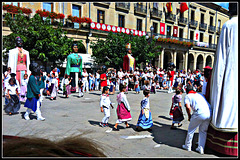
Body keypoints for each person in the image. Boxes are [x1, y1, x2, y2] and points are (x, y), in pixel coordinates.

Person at [205, 4, 238, 156]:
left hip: (231, 74)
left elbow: (221, 58)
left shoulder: (228, 25)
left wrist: (217, 83)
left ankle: (219, 144)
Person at [182, 85, 212, 154]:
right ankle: (201, 148)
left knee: (191, 130)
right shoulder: (199, 94)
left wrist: (189, 116)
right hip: (208, 112)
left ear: (187, 91)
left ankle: (188, 146)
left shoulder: (188, 96)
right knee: (203, 131)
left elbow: (187, 107)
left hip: (199, 112)